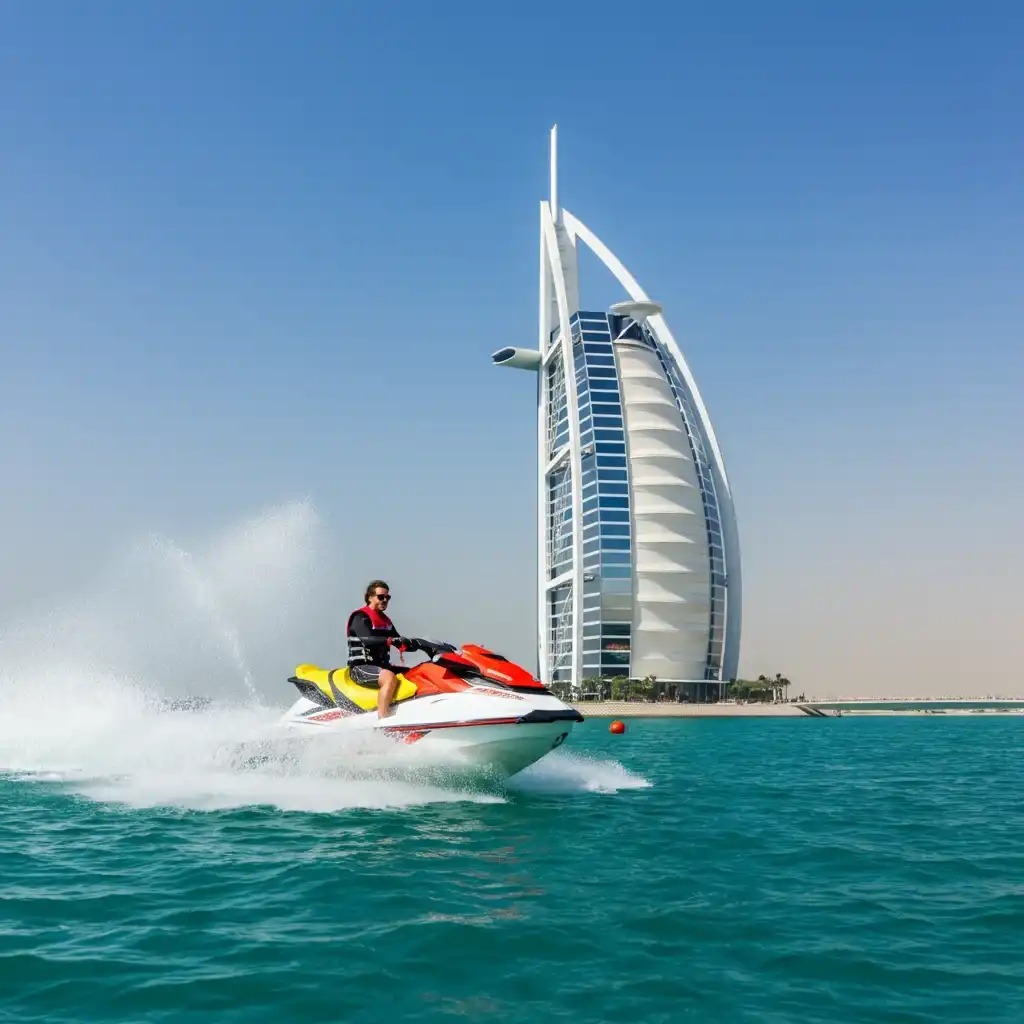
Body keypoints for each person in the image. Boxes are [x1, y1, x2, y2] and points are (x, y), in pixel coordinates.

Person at [346, 579, 418, 718]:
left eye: (387, 597)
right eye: (381, 597)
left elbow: (399, 641)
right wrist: (389, 640)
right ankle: (383, 720)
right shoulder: (360, 617)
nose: (385, 600)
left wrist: (420, 644)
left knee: (414, 673)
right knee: (389, 678)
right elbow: (367, 639)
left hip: (382, 667)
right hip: (360, 669)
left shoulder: (385, 621)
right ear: (370, 597)